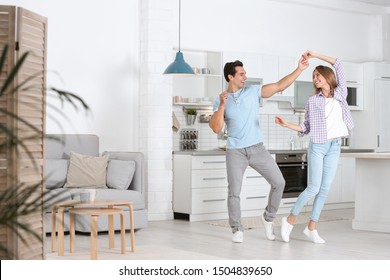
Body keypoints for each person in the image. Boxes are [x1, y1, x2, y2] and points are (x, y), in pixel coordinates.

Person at [209, 55, 309, 243]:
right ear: (230, 77)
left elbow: (279, 85)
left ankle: (268, 217)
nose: (245, 77)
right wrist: (222, 104)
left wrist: (299, 69)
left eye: (245, 73)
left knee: (279, 182)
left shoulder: (253, 91)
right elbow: (215, 127)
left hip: (257, 149)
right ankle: (237, 229)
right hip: (235, 151)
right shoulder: (220, 100)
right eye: (241, 74)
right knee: (234, 192)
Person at [275, 51, 354, 244]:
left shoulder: (341, 94)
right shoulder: (313, 101)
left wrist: (315, 55)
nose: (315, 78)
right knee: (313, 188)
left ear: (327, 77)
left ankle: (312, 227)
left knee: (324, 189)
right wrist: (286, 124)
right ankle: (290, 220)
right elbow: (306, 127)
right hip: (318, 146)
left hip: (334, 146)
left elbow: (339, 62)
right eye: (313, 76)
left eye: (318, 75)